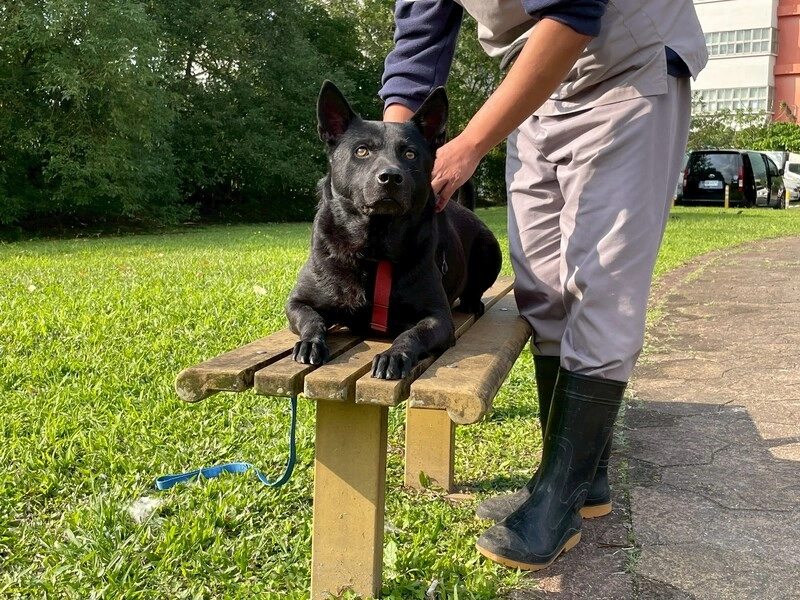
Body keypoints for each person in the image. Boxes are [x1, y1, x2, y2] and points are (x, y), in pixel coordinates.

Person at [380, 0, 707, 571]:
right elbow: (418, 41)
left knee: (602, 287)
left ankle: (558, 501)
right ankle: (580, 480)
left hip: (628, 65)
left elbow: (575, 11)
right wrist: (397, 150)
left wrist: (469, 144)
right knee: (542, 288)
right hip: (535, 84)